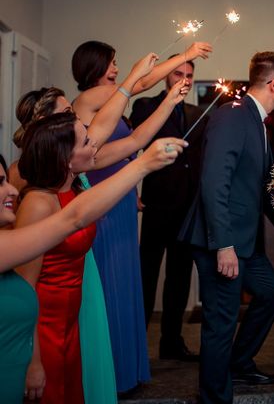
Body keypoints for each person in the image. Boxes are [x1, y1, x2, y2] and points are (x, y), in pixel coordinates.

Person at [72, 40, 211, 393]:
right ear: (95, 65)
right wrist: (184, 56)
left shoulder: (111, 97)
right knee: (110, 282)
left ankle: (121, 369)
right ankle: (105, 374)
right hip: (101, 195)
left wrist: (170, 96)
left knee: (125, 280)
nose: (117, 69)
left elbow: (135, 139)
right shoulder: (91, 97)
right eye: (112, 63)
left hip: (120, 194)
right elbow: (140, 85)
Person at [0, 139, 184, 404]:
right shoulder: (13, 238)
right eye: (0, 183)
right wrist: (142, 165)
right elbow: (73, 218)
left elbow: (75, 216)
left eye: (7, 181)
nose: (14, 192)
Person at [179, 51, 274, 404]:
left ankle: (240, 361)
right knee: (220, 322)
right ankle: (215, 397)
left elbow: (258, 188)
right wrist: (224, 245)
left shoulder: (257, 120)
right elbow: (215, 182)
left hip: (245, 242)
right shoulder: (232, 116)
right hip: (222, 240)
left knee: (270, 294)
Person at [130, 56, 205, 360]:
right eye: (178, 73)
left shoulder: (198, 113)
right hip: (156, 203)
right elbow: (129, 149)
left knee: (180, 277)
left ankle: (171, 342)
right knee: (146, 274)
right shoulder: (145, 107)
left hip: (187, 209)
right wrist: (130, 190)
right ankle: (137, 342)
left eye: (189, 75)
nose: (183, 80)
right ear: (165, 77)